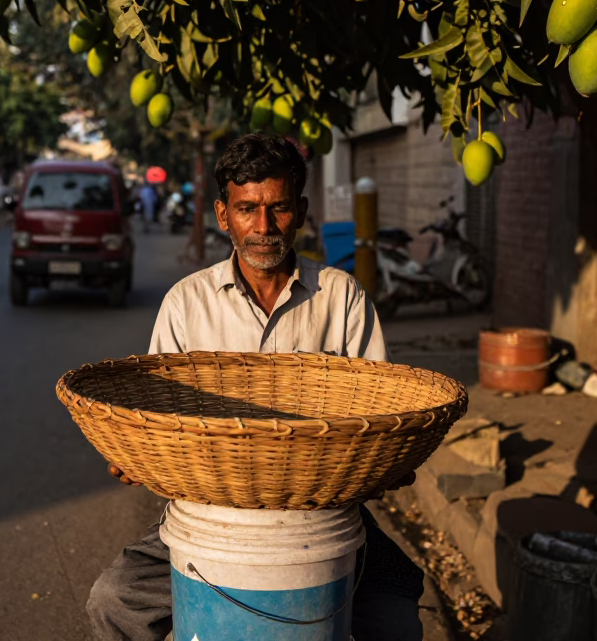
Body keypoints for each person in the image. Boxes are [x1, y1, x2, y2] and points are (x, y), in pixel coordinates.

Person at [86, 134, 423, 641]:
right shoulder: (186, 302)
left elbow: (379, 410)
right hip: (206, 521)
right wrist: (137, 453)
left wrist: (392, 459)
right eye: (247, 209)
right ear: (223, 215)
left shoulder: (342, 296)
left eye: (279, 208)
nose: (263, 227)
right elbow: (152, 411)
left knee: (395, 622)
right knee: (113, 601)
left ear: (301, 211)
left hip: (324, 522)